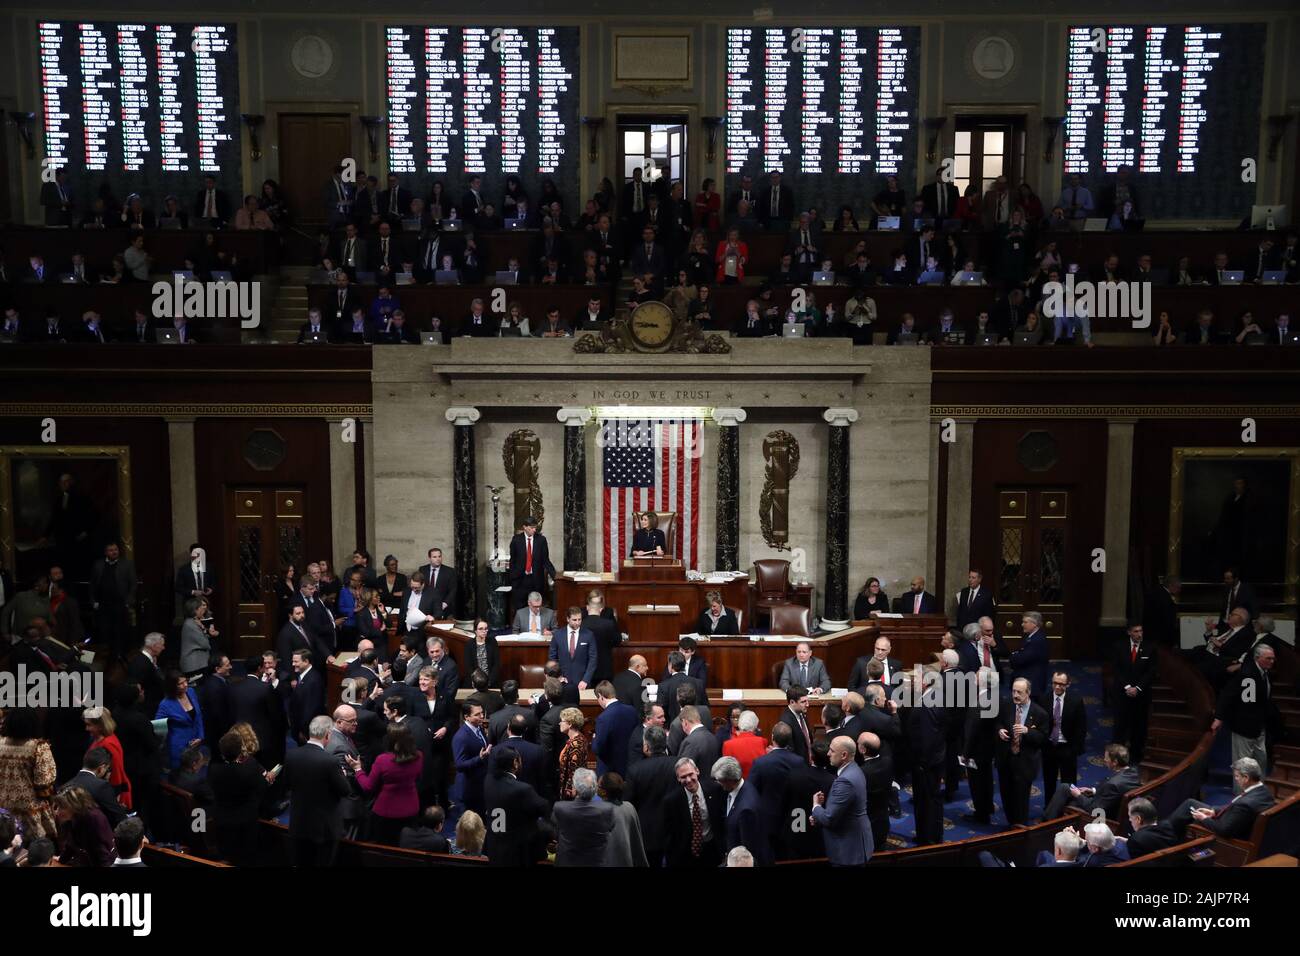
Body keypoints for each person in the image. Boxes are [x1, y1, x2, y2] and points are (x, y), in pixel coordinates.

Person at [282, 715, 350, 866]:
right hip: (323, 829)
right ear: (328, 734)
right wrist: (343, 776)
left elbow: (286, 784)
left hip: (299, 824)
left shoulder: (292, 755)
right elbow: (345, 790)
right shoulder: (330, 761)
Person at [348, 722, 422, 846]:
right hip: (411, 808)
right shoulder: (419, 755)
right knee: (407, 847)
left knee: (386, 849)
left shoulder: (383, 760)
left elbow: (368, 786)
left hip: (386, 812)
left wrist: (357, 770)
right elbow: (418, 778)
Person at [1213, 643, 1277, 788]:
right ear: (1258, 658)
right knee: (1243, 765)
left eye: (1273, 659)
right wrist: (1219, 717)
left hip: (1259, 727)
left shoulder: (1265, 673)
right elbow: (1243, 703)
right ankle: (1240, 798)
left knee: (1261, 761)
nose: (1272, 662)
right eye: (1268, 659)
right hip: (1245, 728)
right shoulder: (1249, 674)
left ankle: (1258, 793)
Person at [1167, 758, 1274, 841]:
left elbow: (1224, 830)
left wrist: (1204, 818)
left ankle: (1164, 834)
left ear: (1246, 778)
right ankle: (1168, 832)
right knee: (1190, 803)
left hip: (1230, 835)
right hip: (1233, 820)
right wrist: (1213, 811)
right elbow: (1234, 808)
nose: (1235, 779)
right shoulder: (1263, 790)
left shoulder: (1245, 804)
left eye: (1237, 776)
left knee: (1192, 817)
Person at [208, 730, 272, 866]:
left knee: (228, 857)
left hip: (223, 821)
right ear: (240, 750)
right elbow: (262, 787)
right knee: (248, 857)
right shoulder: (250, 766)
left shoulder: (214, 769)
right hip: (246, 822)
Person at [810, 736, 873, 866]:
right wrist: (819, 814)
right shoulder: (855, 769)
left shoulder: (845, 781)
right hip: (856, 841)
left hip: (848, 851)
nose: (828, 754)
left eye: (832, 751)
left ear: (844, 755)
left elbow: (829, 818)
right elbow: (843, 810)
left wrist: (816, 807)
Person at [483, 747, 549, 866]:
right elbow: (543, 808)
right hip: (516, 852)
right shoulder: (523, 789)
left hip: (494, 846)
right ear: (515, 763)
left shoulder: (488, 781)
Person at [1042, 743, 1138, 823]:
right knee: (1065, 788)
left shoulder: (1113, 784)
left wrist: (1079, 795)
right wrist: (1093, 791)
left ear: (1115, 762)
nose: (1104, 760)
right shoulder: (1133, 773)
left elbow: (1095, 810)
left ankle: (1046, 824)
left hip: (1101, 815)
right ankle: (1049, 820)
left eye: (1106, 758)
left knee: (1068, 797)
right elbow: (1111, 794)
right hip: (1107, 803)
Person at [996, 678, 1046, 826]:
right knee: (1006, 793)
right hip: (1006, 758)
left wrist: (1027, 731)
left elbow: (1043, 738)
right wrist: (999, 730)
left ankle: (1020, 826)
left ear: (1028, 693)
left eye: (1019, 692)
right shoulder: (1006, 705)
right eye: (1013, 691)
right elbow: (998, 722)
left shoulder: (1039, 713)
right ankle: (1011, 822)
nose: (1015, 695)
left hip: (1025, 762)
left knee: (1021, 797)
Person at [1039, 671, 1087, 807]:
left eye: (1061, 684)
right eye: (1055, 683)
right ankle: (1049, 808)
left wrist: (1075, 750)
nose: (1057, 687)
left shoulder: (1076, 701)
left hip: (1067, 747)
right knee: (1049, 781)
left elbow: (1081, 727)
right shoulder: (1044, 699)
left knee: (1069, 783)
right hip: (1049, 747)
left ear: (1068, 684)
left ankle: (1069, 809)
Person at [1113, 621, 1158, 765]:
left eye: (1141, 631)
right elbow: (1117, 669)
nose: (1139, 634)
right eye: (1136, 631)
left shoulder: (1150, 648)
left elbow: (1151, 672)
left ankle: (1136, 755)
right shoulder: (1119, 647)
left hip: (1141, 695)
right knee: (1121, 724)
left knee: (1139, 726)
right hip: (1122, 693)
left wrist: (1137, 688)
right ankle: (1117, 755)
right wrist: (1127, 687)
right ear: (1129, 632)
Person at [551, 767, 614, 865]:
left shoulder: (560, 808)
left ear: (574, 789)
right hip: (595, 863)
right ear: (595, 788)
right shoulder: (607, 809)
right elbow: (610, 828)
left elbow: (555, 832)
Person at [90, 541, 136, 661]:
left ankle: (120, 655)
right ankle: (108, 656)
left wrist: (128, 601)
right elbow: (93, 585)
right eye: (111, 550)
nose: (114, 552)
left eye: (115, 549)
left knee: (120, 631)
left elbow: (133, 584)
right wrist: (93, 601)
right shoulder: (98, 565)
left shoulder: (127, 564)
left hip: (120, 603)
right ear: (106, 552)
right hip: (103, 604)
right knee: (105, 631)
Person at [83, 708, 131, 812]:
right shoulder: (100, 739)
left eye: (89, 725)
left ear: (100, 726)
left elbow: (116, 774)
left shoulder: (108, 744)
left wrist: (113, 800)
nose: (86, 728)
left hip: (110, 795)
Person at [52, 786, 115, 867]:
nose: (57, 812)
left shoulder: (93, 818)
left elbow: (101, 852)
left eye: (62, 807)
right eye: (57, 807)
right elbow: (71, 844)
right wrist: (62, 859)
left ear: (74, 806)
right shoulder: (73, 817)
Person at [156, 671, 204, 772]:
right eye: (180, 683)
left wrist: (200, 736)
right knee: (181, 775)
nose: (185, 684)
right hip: (179, 747)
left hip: (195, 742)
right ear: (172, 686)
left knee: (196, 771)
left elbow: (198, 716)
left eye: (185, 681)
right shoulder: (165, 704)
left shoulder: (191, 692)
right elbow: (157, 729)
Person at [593, 682, 639, 778]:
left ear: (601, 696)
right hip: (629, 765)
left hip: (609, 771)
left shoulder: (603, 718)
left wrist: (594, 739)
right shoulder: (632, 710)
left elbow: (598, 748)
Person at [508, 516, 554, 611]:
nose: (534, 530)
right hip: (520, 580)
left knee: (535, 609)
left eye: (535, 527)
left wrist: (554, 575)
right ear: (525, 527)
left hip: (535, 580)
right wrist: (512, 577)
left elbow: (545, 560)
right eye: (532, 527)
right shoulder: (516, 540)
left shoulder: (541, 540)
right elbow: (513, 560)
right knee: (520, 609)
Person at [548, 607, 596, 690]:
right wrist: (558, 677)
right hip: (562, 682)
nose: (577, 623)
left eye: (579, 619)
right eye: (574, 620)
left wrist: (585, 680)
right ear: (568, 619)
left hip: (582, 683)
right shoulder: (558, 635)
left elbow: (593, 659)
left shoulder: (588, 635)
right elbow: (552, 658)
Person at [1010, 611, 1050, 699]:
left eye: (1025, 622)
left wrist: (1013, 656)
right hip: (1029, 679)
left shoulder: (1037, 640)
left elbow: (1020, 659)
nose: (1022, 624)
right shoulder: (1031, 636)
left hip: (1032, 683)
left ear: (1034, 624)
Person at [179, 597, 218, 681]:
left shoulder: (194, 622)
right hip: (194, 665)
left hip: (198, 663)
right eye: (201, 608)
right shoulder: (191, 624)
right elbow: (205, 644)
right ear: (195, 610)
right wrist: (207, 632)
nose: (204, 610)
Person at [556, 707, 590, 799]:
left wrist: (570, 791)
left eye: (562, 721)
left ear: (570, 724)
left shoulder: (576, 744)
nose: (559, 723)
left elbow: (574, 770)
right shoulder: (576, 739)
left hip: (572, 792)